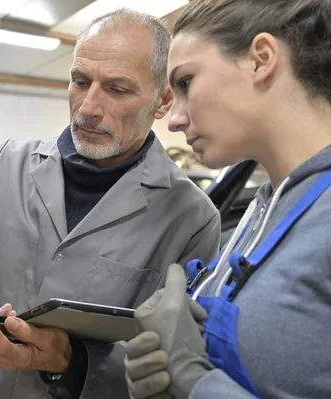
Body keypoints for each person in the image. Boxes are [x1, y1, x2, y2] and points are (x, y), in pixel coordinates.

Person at [0, 8, 221, 399]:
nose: (89, 106)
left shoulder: (191, 218)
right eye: (80, 80)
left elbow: (178, 367)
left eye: (117, 89)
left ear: (162, 101)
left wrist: (72, 361)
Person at [124, 0, 331, 398]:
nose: (174, 119)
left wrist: (195, 381)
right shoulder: (262, 211)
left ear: (261, 59)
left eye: (185, 82)